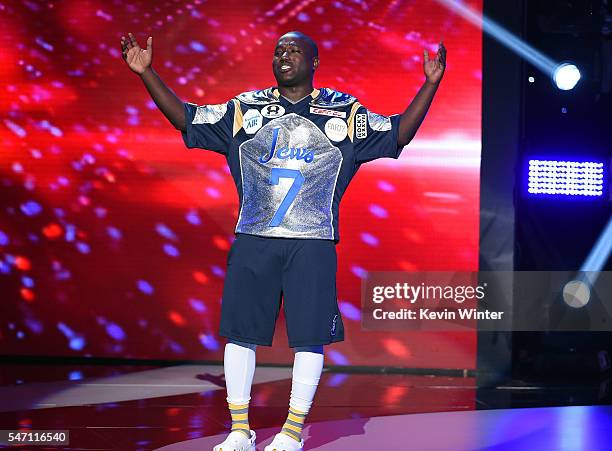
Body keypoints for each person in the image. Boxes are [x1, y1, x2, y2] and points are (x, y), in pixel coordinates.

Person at [120, 30, 446, 451]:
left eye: (293, 50)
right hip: (254, 238)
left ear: (314, 62)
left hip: (312, 241)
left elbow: (399, 132)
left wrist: (430, 84)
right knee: (241, 334)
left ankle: (291, 432)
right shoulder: (245, 108)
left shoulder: (344, 112)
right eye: (278, 51)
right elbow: (187, 118)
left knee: (309, 336)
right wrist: (146, 73)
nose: (283, 55)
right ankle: (240, 430)